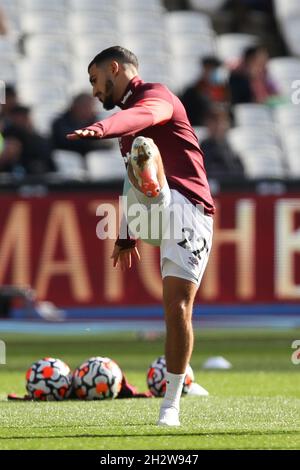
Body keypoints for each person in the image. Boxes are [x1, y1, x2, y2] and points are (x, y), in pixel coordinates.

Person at [67, 46, 215, 427]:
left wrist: (101, 129)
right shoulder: (127, 127)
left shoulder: (158, 96)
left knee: (177, 310)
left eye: (95, 80)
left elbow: (145, 116)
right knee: (139, 150)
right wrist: (125, 234)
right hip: (152, 212)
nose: (95, 91)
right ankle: (152, 184)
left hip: (189, 210)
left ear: (114, 69)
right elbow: (126, 176)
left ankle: (170, 406)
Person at [181, 56, 229, 126]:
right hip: (197, 128)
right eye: (208, 69)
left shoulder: (225, 91)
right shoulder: (191, 92)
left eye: (214, 70)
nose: (211, 73)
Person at [201, 104, 245, 179]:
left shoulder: (230, 149)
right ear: (207, 123)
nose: (219, 126)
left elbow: (240, 174)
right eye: (215, 121)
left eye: (223, 121)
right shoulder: (202, 148)